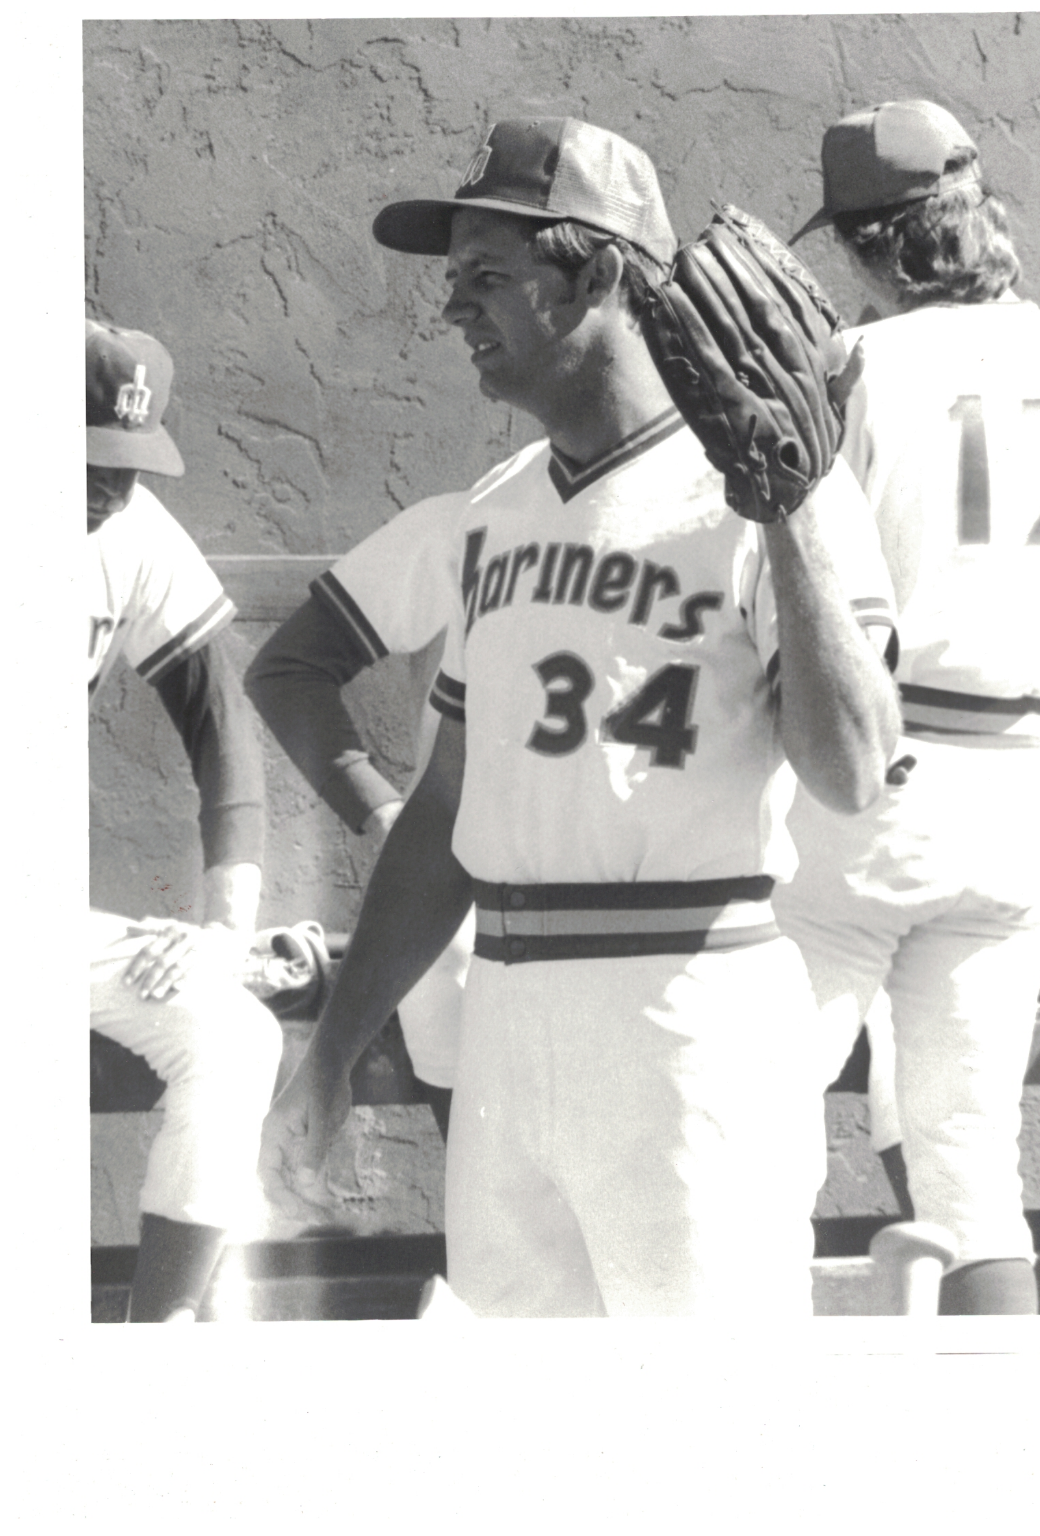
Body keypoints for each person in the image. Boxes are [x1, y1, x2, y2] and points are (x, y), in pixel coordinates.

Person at [259, 117, 901, 1316]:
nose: (454, 310)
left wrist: (791, 518)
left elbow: (855, 771)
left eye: (488, 277)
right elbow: (450, 805)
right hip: (507, 1015)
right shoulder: (496, 507)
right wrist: (335, 1049)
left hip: (686, 1010)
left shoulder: (774, 488)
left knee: (709, 1445)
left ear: (597, 272)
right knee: (525, 1441)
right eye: (452, 282)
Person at [775, 100, 1040, 1313]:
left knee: (745, 1133)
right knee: (971, 1167)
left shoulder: (854, 365)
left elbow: (793, 592)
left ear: (873, 244)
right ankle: (1010, 1466)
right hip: (1032, 781)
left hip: (880, 776)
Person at [87, 318, 283, 1321]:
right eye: (83, 457)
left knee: (233, 1034)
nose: (106, 485)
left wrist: (221, 936)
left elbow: (225, 739)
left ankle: (146, 1348)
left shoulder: (132, 532)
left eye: (125, 461)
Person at [244, 491, 471, 1143]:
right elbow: (287, 670)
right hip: (468, 924)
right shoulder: (469, 519)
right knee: (507, 1234)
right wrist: (385, 813)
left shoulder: (729, 526)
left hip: (674, 940)